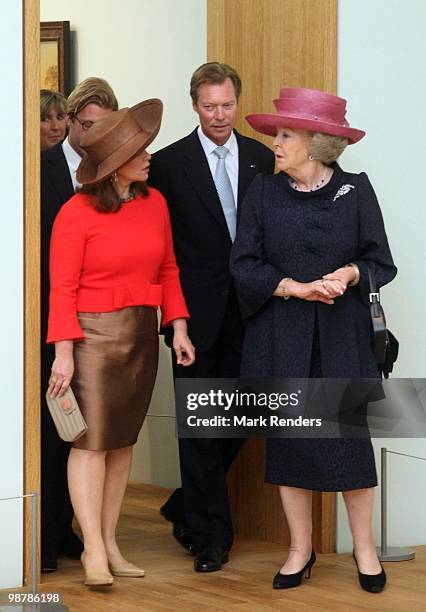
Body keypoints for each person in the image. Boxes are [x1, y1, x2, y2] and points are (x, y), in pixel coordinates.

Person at [230, 87, 397, 593]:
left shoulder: (357, 190)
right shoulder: (262, 192)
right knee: (291, 446)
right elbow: (243, 264)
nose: (274, 144)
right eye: (277, 134)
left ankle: (365, 551)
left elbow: (380, 262)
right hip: (283, 336)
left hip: (343, 338)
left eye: (285, 135)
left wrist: (347, 274)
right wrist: (293, 288)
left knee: (350, 446)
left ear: (317, 143)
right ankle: (299, 551)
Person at [47, 98, 195, 587]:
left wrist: (178, 326)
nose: (149, 154)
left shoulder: (156, 204)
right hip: (91, 340)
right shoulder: (76, 212)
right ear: (114, 165)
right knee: (89, 444)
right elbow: (62, 289)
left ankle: (110, 543)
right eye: (140, 149)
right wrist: (63, 353)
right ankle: (91, 546)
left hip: (138, 337)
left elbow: (169, 269)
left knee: (122, 443)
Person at [149, 62, 275, 572]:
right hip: (193, 317)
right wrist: (171, 318)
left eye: (226, 105)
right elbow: (161, 251)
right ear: (194, 105)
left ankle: (187, 503)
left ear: (236, 103)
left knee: (245, 415)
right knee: (201, 425)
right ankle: (210, 538)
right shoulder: (168, 165)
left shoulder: (264, 159)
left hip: (253, 313)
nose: (219, 114)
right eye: (209, 105)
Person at [40, 77, 119, 572]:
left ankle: (71, 532)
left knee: (85, 429)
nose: (92, 135)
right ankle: (43, 537)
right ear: (70, 120)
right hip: (47, 316)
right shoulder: (40, 167)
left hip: (99, 321)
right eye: (86, 125)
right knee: (52, 426)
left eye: (102, 127)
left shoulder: (112, 173)